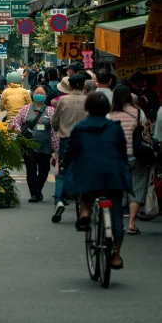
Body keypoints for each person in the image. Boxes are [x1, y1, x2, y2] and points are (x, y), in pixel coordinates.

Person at [64, 91, 131, 268]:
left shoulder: (80, 128)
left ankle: (85, 213)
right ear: (107, 108)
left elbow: (70, 152)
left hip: (89, 173)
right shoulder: (115, 127)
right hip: (113, 175)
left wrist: (65, 165)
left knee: (86, 195)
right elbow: (122, 152)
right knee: (117, 215)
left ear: (88, 108)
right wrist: (124, 165)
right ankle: (116, 256)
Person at [109, 85, 151, 235]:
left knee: (117, 189)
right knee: (137, 188)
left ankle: (117, 222)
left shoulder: (110, 114)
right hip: (136, 156)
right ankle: (132, 223)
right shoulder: (139, 112)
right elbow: (145, 133)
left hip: (116, 158)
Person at [50, 73, 88, 223]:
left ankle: (60, 200)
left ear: (70, 86)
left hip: (66, 139)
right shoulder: (88, 100)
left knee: (64, 171)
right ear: (84, 85)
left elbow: (55, 122)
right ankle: (84, 202)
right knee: (84, 169)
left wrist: (61, 127)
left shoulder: (63, 101)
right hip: (85, 140)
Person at [12, 85, 59, 202]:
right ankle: (34, 193)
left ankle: (38, 189)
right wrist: (17, 128)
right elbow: (15, 122)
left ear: (46, 96)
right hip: (29, 145)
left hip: (45, 146)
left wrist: (56, 148)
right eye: (37, 92)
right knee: (31, 169)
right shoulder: (25, 109)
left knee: (44, 170)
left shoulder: (50, 110)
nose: (39, 95)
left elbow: (54, 129)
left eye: (42, 93)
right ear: (32, 94)